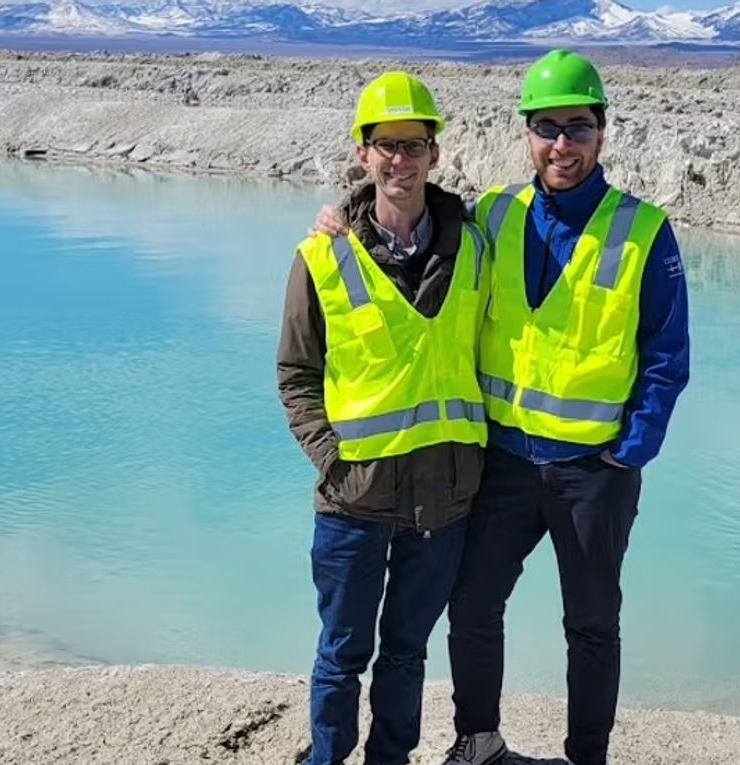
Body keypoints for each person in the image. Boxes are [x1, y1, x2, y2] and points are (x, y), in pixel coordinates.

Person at [313, 49, 690, 765]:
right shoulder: (494, 215)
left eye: (577, 128)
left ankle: (587, 756)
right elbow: (407, 232)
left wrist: (629, 448)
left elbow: (668, 355)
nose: (562, 145)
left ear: (601, 134)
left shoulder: (643, 231)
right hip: (504, 465)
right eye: (547, 128)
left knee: (591, 624)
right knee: (474, 606)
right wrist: (340, 218)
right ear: (526, 134)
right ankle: (479, 742)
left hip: (593, 471)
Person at [277, 70, 490, 765]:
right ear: (363, 153)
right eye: (386, 145)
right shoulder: (321, 256)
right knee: (343, 653)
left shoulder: (477, 247)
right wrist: (333, 456)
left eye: (414, 144)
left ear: (435, 152)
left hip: (443, 499)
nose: (400, 159)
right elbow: (297, 373)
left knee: (406, 654)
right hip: (353, 499)